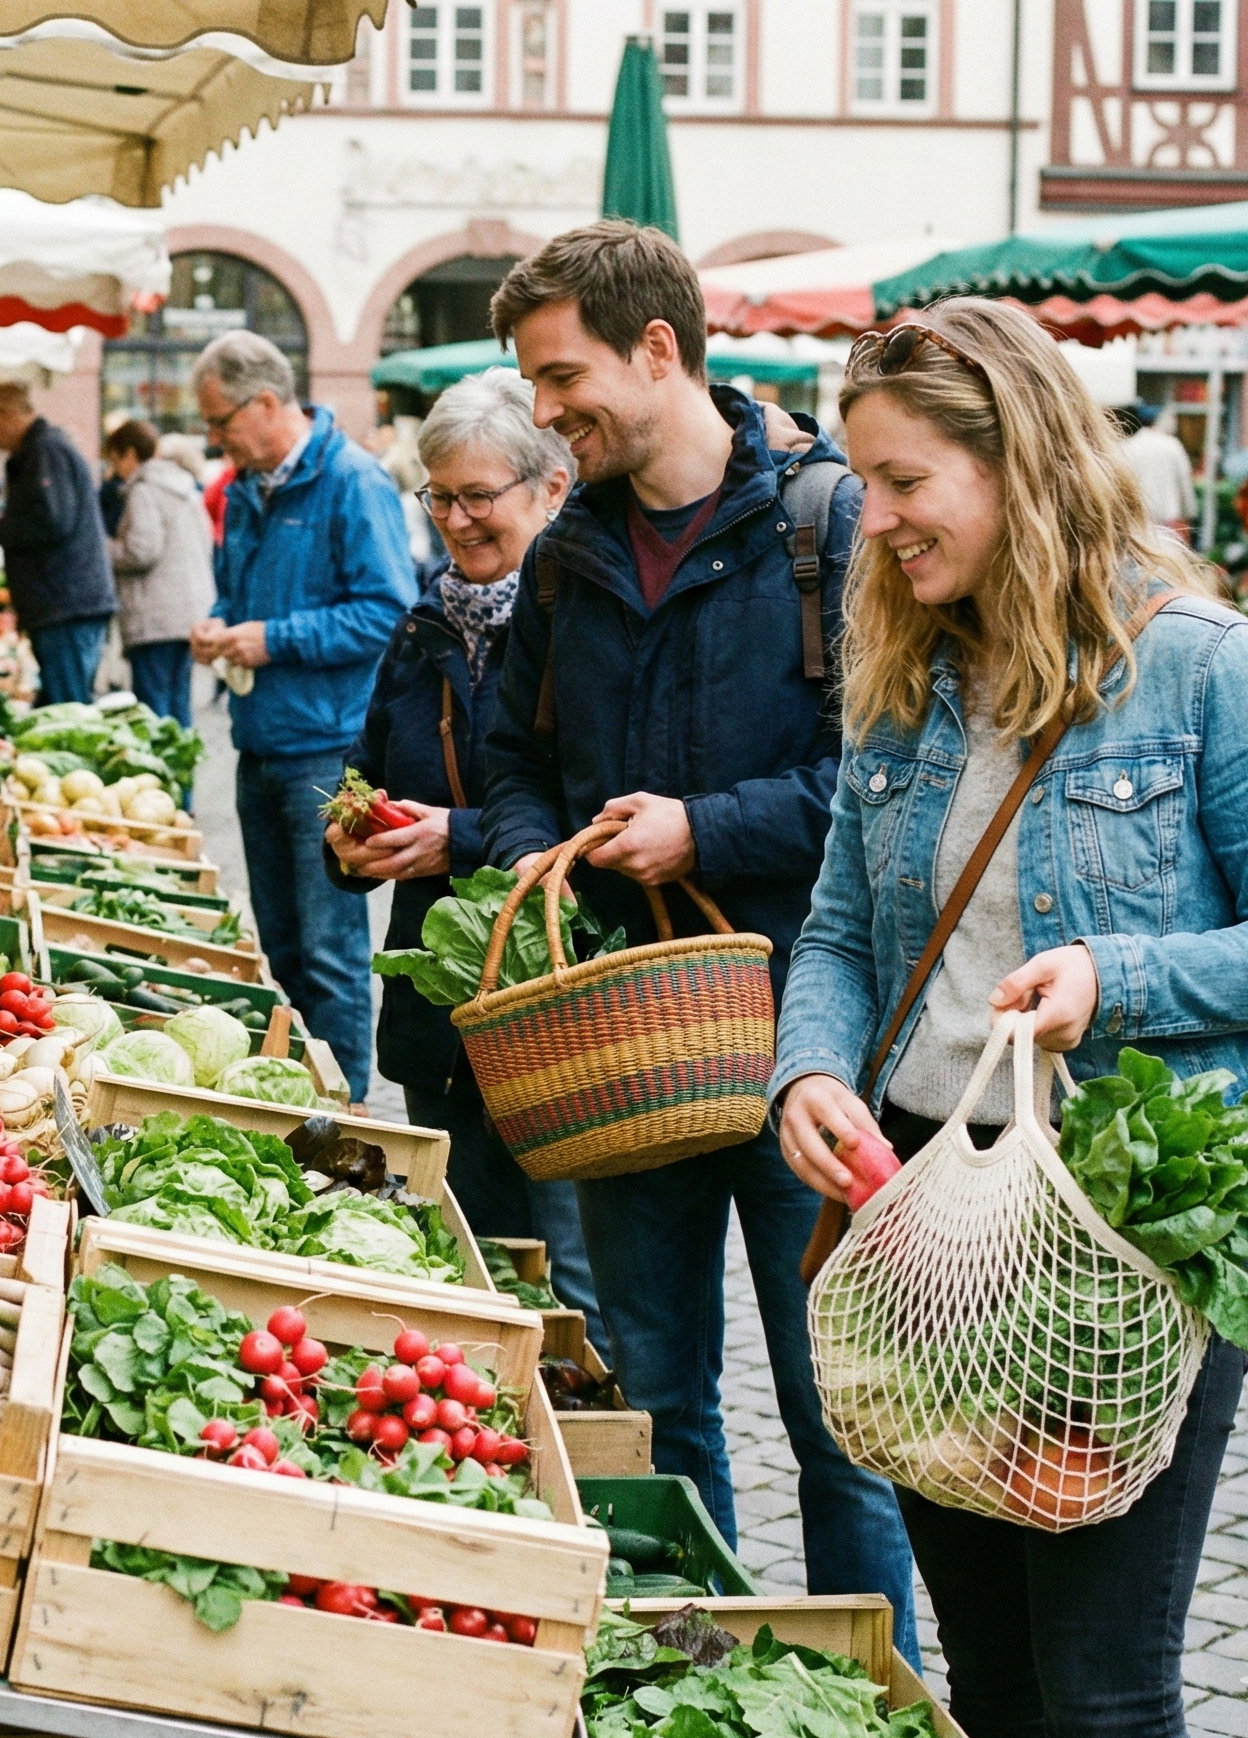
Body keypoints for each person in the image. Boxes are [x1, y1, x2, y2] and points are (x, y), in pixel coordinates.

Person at [774, 299, 1243, 1737]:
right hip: (921, 1198)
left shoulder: (1199, 665)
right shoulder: (906, 669)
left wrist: (1124, 977)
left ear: (1019, 460)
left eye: (908, 483)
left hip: (1117, 1223)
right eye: (866, 487)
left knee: (1099, 1689)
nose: (877, 523)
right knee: (988, 1668)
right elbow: (844, 930)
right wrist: (804, 1067)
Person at [480, 220, 921, 1663]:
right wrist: (534, 850)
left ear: (656, 351)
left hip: (814, 1038)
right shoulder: (569, 555)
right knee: (662, 1397)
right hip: (628, 1045)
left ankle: (877, 1687)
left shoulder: (829, 525)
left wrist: (704, 828)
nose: (546, 412)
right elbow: (508, 758)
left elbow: (892, 777)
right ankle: (701, 1676)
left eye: (561, 377)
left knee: (839, 1415)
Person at [320, 370, 606, 1343]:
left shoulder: (591, 629)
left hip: (555, 1012)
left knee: (570, 1282)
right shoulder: (422, 625)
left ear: (551, 488)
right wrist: (351, 839)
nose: (453, 518)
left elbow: (599, 812)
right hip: (439, 1009)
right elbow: (365, 767)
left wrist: (460, 834)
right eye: (437, 494)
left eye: (476, 495)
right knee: (466, 1255)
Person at [188, 328, 417, 1106]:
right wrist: (222, 624)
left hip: (328, 751)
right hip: (260, 743)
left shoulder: (353, 482)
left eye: (220, 421)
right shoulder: (250, 489)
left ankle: (347, 1111)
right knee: (280, 947)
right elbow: (239, 592)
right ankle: (297, 1100)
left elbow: (388, 612)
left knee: (329, 954)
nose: (213, 438)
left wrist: (269, 639)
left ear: (263, 402)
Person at [0, 383, 116, 707]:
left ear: (6, 415)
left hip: (65, 606)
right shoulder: (41, 450)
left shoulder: (45, 451)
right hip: (61, 605)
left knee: (70, 715)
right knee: (61, 709)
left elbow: (50, 522)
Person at [103, 419, 215, 728]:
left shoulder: (144, 490)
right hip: (189, 612)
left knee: (154, 711)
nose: (115, 470)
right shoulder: (184, 485)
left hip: (155, 616)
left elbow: (141, 550)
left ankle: (163, 775)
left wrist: (106, 548)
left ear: (129, 454)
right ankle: (183, 773)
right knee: (179, 703)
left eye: (115, 460)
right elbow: (206, 540)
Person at [1122, 401, 1197, 540]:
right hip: (1170, 525)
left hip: (1137, 526)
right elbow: (1184, 486)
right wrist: (1187, 518)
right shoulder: (1172, 445)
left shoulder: (1128, 446)